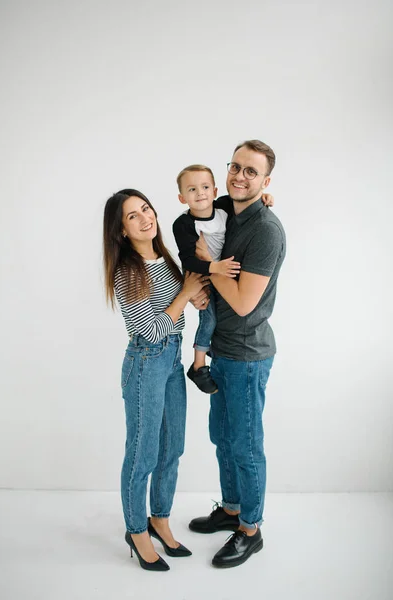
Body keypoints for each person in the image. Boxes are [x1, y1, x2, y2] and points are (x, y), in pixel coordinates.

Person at [188, 140, 286, 569]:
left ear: (266, 180)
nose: (239, 176)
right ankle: (230, 510)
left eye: (252, 172)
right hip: (221, 350)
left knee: (245, 447)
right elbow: (196, 200)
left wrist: (209, 267)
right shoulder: (230, 206)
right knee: (222, 439)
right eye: (236, 167)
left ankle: (251, 529)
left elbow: (245, 303)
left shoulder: (266, 230)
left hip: (247, 355)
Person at [103, 188, 209, 572]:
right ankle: (136, 529)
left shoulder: (165, 258)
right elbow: (148, 330)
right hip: (146, 363)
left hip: (172, 359)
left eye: (146, 209)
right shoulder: (127, 271)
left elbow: (183, 304)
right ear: (121, 231)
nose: (145, 218)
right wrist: (184, 296)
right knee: (142, 454)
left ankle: (159, 518)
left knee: (172, 448)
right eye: (133, 216)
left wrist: (194, 298)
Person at [172, 164, 274, 394]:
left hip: (221, 275)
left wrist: (264, 197)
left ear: (216, 191)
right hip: (203, 277)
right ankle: (198, 365)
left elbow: (248, 200)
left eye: (206, 187)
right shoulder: (183, 224)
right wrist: (214, 267)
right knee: (208, 319)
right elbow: (189, 259)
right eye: (192, 190)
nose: (201, 193)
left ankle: (208, 352)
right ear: (181, 197)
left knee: (217, 319)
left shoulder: (223, 208)